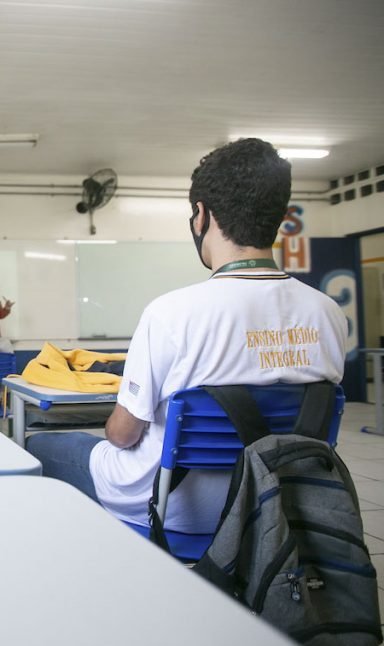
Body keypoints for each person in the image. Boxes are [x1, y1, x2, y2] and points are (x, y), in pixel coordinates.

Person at [25, 138, 346, 535]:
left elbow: (123, 436)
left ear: (201, 216)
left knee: (39, 448)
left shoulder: (170, 313)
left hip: (175, 506)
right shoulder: (328, 313)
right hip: (277, 504)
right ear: (279, 216)